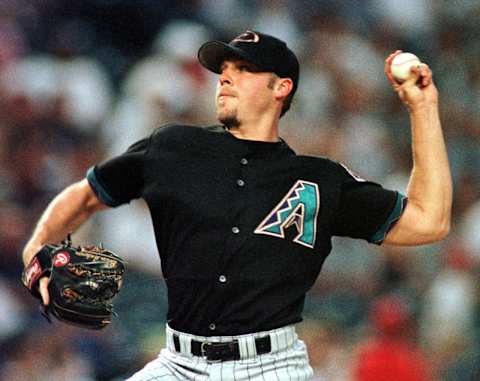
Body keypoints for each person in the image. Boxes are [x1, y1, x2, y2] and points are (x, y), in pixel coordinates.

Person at [22, 30, 452, 380]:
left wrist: (423, 107)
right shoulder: (173, 147)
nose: (225, 77)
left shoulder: (319, 180)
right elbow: (85, 195)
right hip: (178, 364)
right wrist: (34, 250)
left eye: (244, 69)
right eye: (223, 70)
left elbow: (428, 221)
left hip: (271, 367)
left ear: (281, 88)